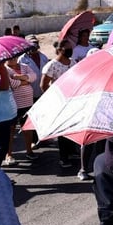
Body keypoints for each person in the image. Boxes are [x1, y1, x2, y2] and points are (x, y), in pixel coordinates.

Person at [41, 40, 77, 168]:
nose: (70, 50)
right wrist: (52, 98)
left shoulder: (72, 62)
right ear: (60, 49)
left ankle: (72, 151)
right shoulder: (52, 65)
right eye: (67, 48)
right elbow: (43, 85)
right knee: (62, 129)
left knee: (71, 127)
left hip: (72, 100)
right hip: (59, 101)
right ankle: (63, 157)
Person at [6, 56, 37, 161]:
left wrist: (17, 77)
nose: (13, 59)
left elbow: (33, 77)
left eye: (14, 57)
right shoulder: (4, 69)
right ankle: (8, 154)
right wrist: (25, 80)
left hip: (27, 102)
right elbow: (11, 84)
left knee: (28, 128)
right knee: (11, 130)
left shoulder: (25, 66)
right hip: (13, 103)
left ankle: (29, 151)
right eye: (10, 58)